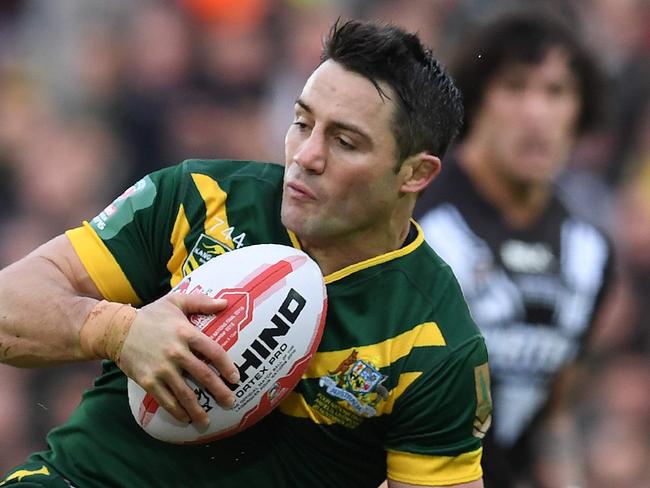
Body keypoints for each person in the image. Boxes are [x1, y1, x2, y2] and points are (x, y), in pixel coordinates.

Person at [0, 19, 491, 488]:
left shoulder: (435, 341)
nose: (306, 155)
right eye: (301, 122)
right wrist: (118, 332)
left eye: (344, 142)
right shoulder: (200, 197)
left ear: (415, 175)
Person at [414, 8, 613, 488]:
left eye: (556, 92)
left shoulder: (589, 254)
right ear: (475, 101)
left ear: (579, 110)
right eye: (515, 88)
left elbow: (553, 417)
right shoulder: (415, 224)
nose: (536, 114)